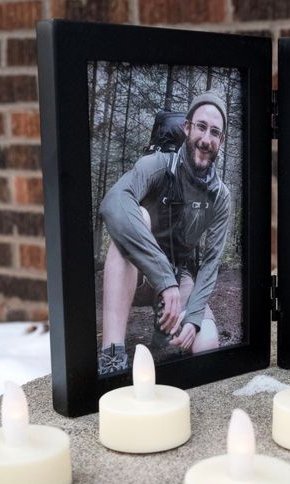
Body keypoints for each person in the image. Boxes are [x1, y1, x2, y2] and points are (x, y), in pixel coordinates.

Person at [97, 91, 232, 375]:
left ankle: (165, 327)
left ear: (221, 141)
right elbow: (113, 203)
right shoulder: (155, 166)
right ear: (187, 128)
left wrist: (194, 317)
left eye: (215, 132)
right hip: (138, 273)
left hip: (178, 275)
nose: (206, 139)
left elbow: (211, 262)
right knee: (138, 217)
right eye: (201, 127)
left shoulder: (220, 195)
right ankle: (112, 354)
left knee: (206, 344)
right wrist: (163, 277)